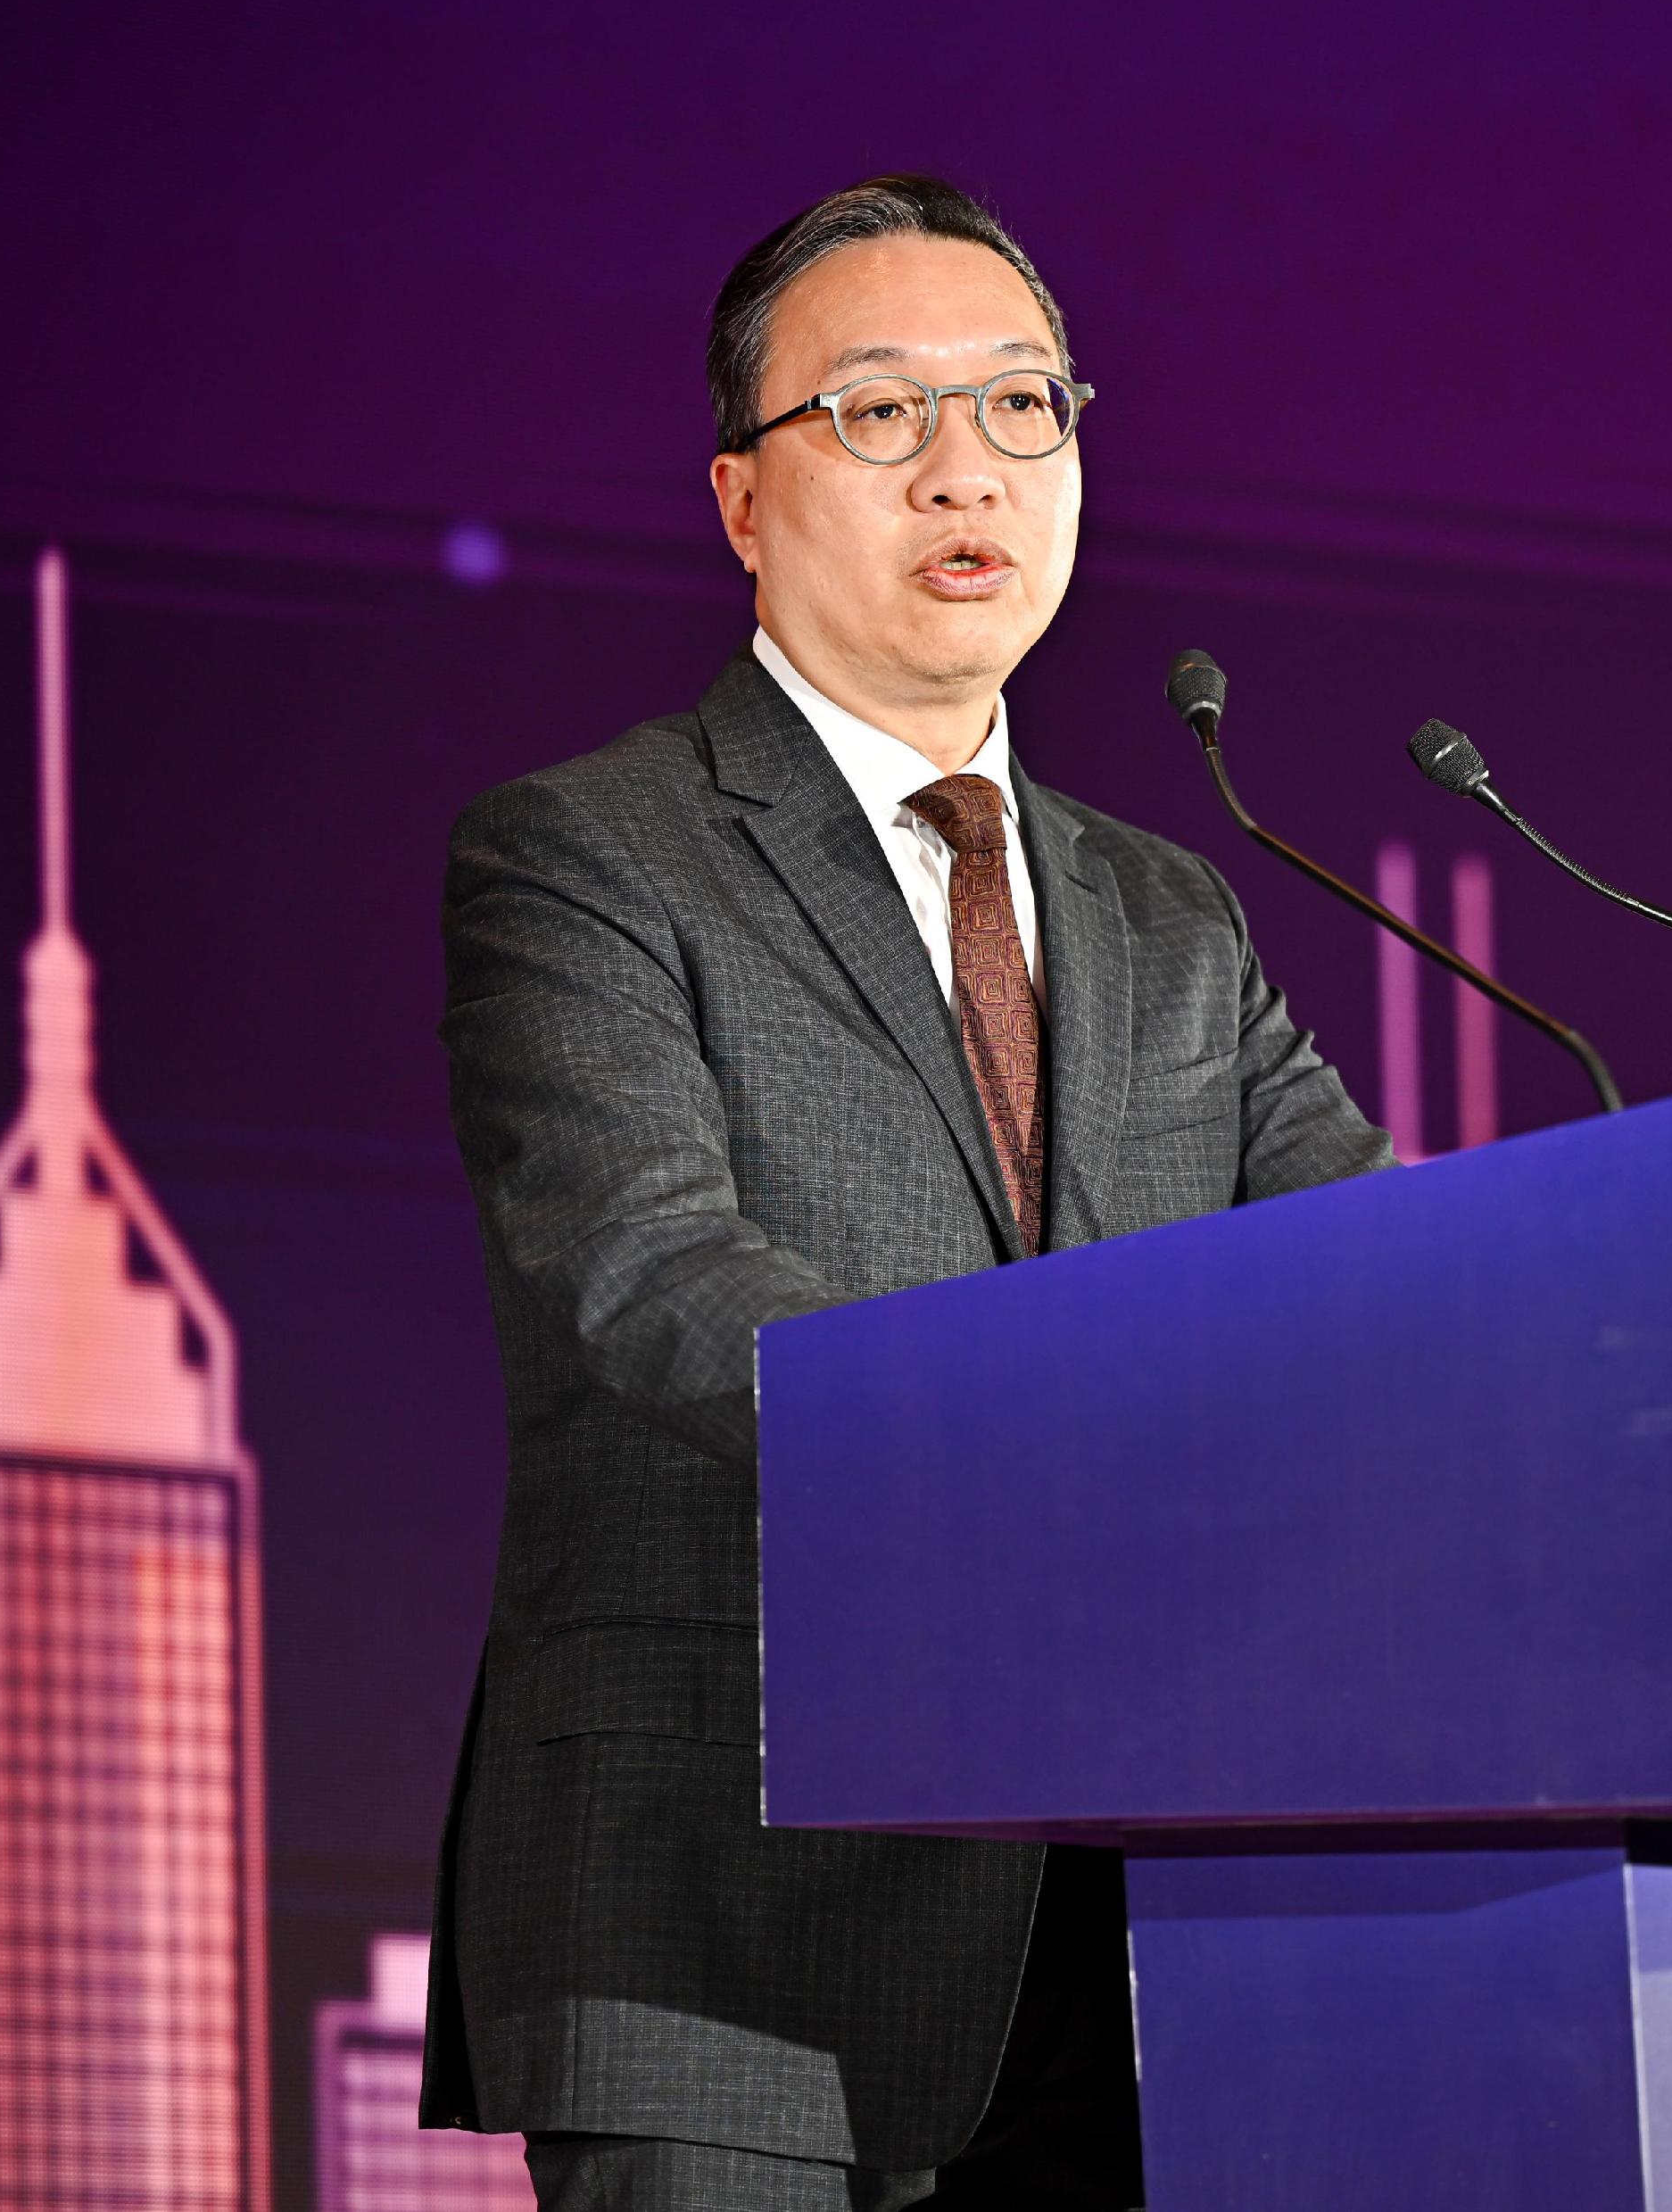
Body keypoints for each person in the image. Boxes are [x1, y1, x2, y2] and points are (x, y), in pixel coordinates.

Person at [422, 173, 1392, 2209]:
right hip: (735, 1922)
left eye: (1023, 406)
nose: (968, 464)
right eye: (879, 413)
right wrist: (1088, 1436)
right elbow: (654, 1279)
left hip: (1152, 1945)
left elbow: (1384, 1283)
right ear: (740, 499)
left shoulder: (1169, 911)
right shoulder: (587, 854)